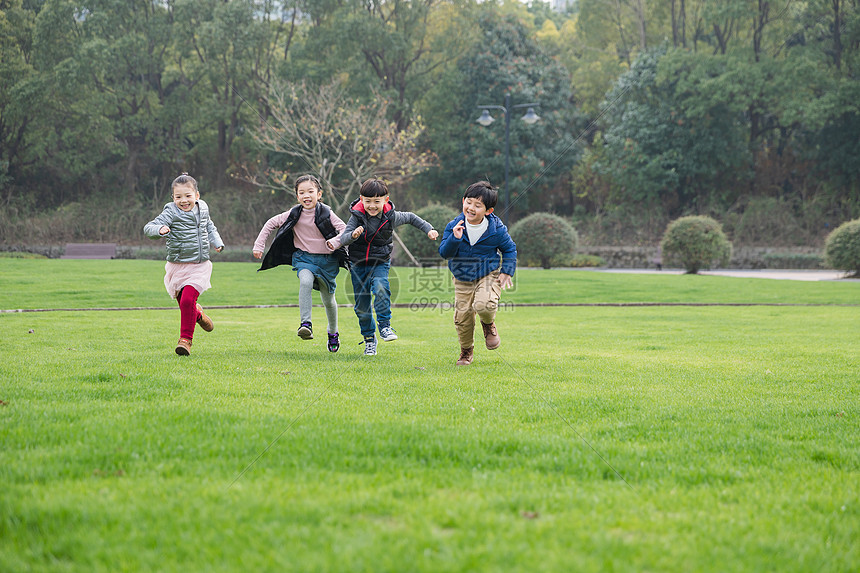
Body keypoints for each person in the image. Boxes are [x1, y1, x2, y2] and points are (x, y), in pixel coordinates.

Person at [326, 178, 438, 356]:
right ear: (361, 199)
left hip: (380, 262)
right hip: (358, 264)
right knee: (361, 307)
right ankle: (370, 340)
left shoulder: (391, 216)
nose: (372, 206)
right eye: (368, 201)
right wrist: (353, 235)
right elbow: (344, 238)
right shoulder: (356, 216)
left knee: (381, 287)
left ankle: (385, 326)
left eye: (376, 202)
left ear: (385, 200)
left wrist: (428, 229)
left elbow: (411, 217)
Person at [254, 175, 349, 352]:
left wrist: (335, 243)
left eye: (310, 191)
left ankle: (333, 332)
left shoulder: (327, 212)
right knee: (305, 281)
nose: (306, 195)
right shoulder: (293, 213)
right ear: (297, 196)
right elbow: (270, 223)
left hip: (327, 262)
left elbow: (345, 229)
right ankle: (306, 324)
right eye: (302, 192)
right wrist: (259, 245)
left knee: (329, 300)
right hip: (304, 259)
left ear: (319, 194)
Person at [144, 173, 225, 356]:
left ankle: (185, 341)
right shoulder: (170, 212)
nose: (184, 200)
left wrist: (217, 242)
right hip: (178, 266)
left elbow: (210, 226)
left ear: (197, 195)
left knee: (188, 300)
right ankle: (199, 316)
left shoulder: (203, 209)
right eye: (178, 197)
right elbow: (149, 227)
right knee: (186, 305)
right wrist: (159, 229)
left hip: (199, 265)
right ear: (173, 198)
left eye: (188, 196)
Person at [438, 181, 517, 366]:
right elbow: (444, 253)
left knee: (484, 304)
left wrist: (507, 271)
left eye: (477, 205)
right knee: (462, 317)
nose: (471, 208)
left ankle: (488, 325)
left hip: (488, 274)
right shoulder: (453, 226)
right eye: (469, 202)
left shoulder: (496, 229)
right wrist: (454, 239)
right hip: (462, 278)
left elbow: (510, 249)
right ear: (463, 201)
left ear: (488, 211)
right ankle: (466, 352)